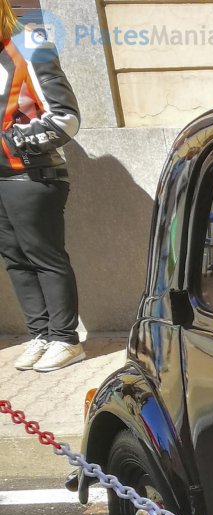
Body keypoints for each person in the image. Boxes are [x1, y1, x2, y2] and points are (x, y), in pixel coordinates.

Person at [0, 2, 84, 373]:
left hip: (31, 173)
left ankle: (65, 338)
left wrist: (9, 142)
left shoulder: (28, 42)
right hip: (3, 176)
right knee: (15, 260)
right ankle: (41, 334)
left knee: (44, 256)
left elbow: (65, 118)